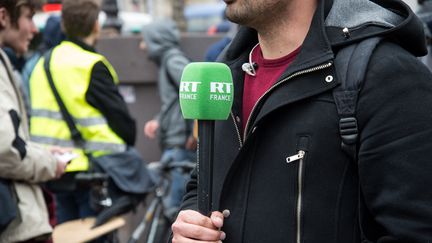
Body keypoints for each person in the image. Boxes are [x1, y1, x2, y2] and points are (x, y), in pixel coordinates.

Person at [171, 0, 432, 242]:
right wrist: (191, 225)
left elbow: (414, 229)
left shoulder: (385, 73)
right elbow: (202, 182)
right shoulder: (226, 72)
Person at [29, 0, 136, 224]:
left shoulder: (42, 63)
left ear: (64, 25)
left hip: (52, 169)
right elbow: (122, 121)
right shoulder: (91, 64)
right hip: (90, 170)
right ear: (96, 25)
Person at [0, 1, 68, 242]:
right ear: (4, 17)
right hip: (15, 226)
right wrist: (49, 162)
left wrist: (42, 152)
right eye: (29, 17)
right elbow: (6, 151)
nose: (34, 28)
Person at [141, 20, 196, 220]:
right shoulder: (168, 61)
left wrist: (194, 132)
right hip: (176, 142)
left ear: (156, 40)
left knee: (176, 210)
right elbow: (175, 101)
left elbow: (194, 91)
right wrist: (159, 120)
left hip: (180, 144)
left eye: (144, 41)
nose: (142, 46)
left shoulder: (173, 60)